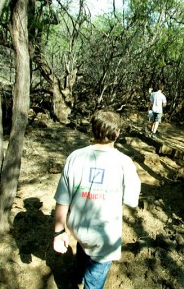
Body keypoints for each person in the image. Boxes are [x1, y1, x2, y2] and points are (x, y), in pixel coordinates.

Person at [53, 110, 141, 289]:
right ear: (117, 134)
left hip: (78, 228)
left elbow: (62, 198)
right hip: (104, 236)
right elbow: (132, 201)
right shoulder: (124, 163)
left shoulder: (75, 157)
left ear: (92, 130)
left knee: (83, 249)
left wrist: (58, 232)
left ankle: (76, 278)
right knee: (94, 278)